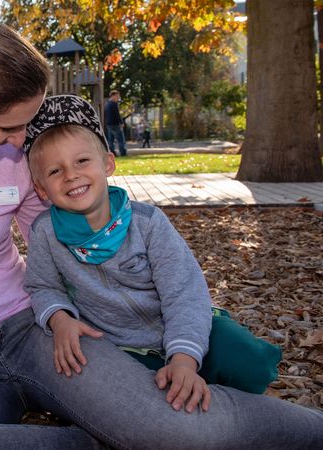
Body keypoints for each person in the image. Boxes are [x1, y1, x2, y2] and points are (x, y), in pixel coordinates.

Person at [0, 23, 323, 450]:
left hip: (40, 329)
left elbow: (55, 245)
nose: (23, 140)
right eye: (10, 126)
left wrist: (82, 310)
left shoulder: (12, 162)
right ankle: (102, 440)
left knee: (177, 426)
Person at [23, 95, 283, 408]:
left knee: (249, 364)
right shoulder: (45, 233)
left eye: (82, 161)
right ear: (40, 189)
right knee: (100, 391)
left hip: (185, 327)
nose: (71, 175)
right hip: (119, 345)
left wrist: (185, 359)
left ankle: (206, 384)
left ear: (107, 163)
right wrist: (60, 319)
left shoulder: (147, 223)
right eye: (54, 171)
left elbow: (184, 293)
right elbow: (43, 286)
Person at [104, 90, 127, 156]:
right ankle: (123, 152)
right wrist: (121, 122)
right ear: (113, 96)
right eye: (117, 96)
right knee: (121, 139)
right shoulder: (114, 104)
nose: (118, 98)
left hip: (109, 124)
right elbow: (117, 115)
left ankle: (112, 152)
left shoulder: (107, 104)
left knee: (111, 140)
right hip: (115, 124)